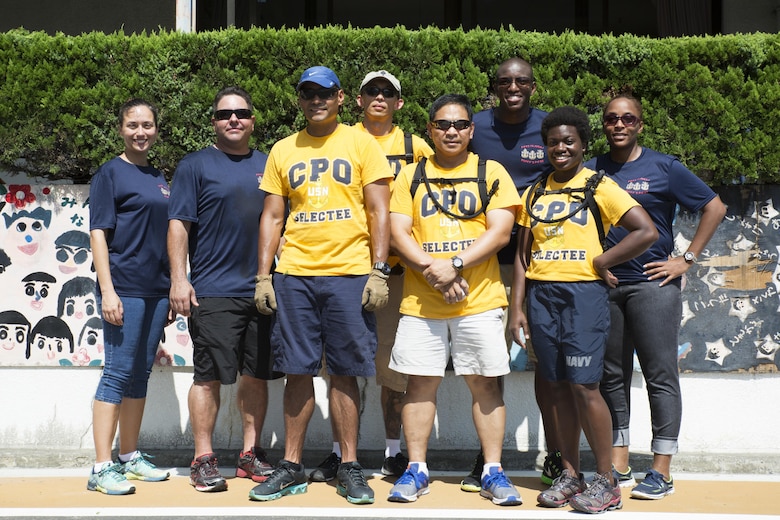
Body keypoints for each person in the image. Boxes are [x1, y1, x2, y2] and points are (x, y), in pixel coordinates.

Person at [251, 66, 392, 505]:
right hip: (294, 275)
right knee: (297, 370)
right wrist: (263, 276)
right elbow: (273, 216)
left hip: (349, 273)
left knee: (346, 371)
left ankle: (349, 466)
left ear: (341, 98)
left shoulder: (361, 142)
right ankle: (291, 466)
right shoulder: (282, 149)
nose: (317, 100)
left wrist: (379, 269)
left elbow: (379, 211)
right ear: (299, 99)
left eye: (325, 93)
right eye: (308, 93)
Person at [509, 106, 658, 514]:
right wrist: (516, 308)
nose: (560, 148)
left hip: (583, 298)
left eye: (568, 141)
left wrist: (601, 262)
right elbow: (523, 257)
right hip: (542, 296)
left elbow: (646, 231)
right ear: (545, 147)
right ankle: (571, 476)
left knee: (584, 387)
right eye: (553, 142)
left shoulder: (599, 185)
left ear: (582, 145)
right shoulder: (534, 192)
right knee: (555, 387)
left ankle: (607, 481)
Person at [585, 94, 726, 499]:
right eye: (611, 118)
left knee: (659, 374)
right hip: (606, 287)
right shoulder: (591, 170)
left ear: (640, 125)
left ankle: (661, 469)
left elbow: (714, 207)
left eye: (628, 118)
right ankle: (619, 461)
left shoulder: (665, 167)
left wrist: (686, 259)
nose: (619, 125)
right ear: (604, 124)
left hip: (653, 285)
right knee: (610, 376)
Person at [386, 93, 522, 507]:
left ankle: (493, 471)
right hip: (422, 303)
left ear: (471, 130)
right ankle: (416, 469)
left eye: (460, 125)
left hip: (479, 300)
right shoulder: (410, 175)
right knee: (419, 385)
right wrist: (437, 270)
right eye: (442, 125)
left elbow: (501, 231)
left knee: (485, 386)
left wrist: (456, 264)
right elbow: (397, 232)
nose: (451, 131)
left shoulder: (491, 170)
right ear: (430, 130)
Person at [308, 70, 433, 483]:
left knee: (392, 365)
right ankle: (339, 454)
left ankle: (394, 452)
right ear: (357, 100)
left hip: (397, 274)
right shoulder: (339, 138)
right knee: (339, 365)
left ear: (399, 102)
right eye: (371, 91)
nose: (379, 97)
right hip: (346, 268)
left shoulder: (417, 148)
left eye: (388, 92)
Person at [167, 86, 280, 493]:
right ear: (213, 122)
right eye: (224, 115)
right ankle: (203, 458)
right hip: (213, 292)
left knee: (256, 376)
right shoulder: (195, 165)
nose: (233, 120)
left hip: (264, 290)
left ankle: (250, 455)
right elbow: (179, 224)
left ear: (253, 120)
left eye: (242, 113)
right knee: (208, 377)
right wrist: (179, 280)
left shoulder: (270, 164)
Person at [467, 56, 561, 491]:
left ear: (533, 86)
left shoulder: (549, 127)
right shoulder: (475, 127)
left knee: (547, 363)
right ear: (495, 86)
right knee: (485, 367)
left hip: (539, 261)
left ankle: (557, 456)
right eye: (505, 81)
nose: (513, 87)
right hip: (482, 263)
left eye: (521, 80)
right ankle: (487, 461)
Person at [87, 98, 173, 495]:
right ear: (121, 128)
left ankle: (129, 456)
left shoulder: (159, 176)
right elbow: (99, 233)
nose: (141, 132)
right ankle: (101, 467)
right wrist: (107, 290)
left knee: (140, 373)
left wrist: (173, 285)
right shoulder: (111, 173)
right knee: (117, 373)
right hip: (124, 287)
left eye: (148, 125)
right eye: (133, 125)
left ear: (156, 129)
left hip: (156, 289)